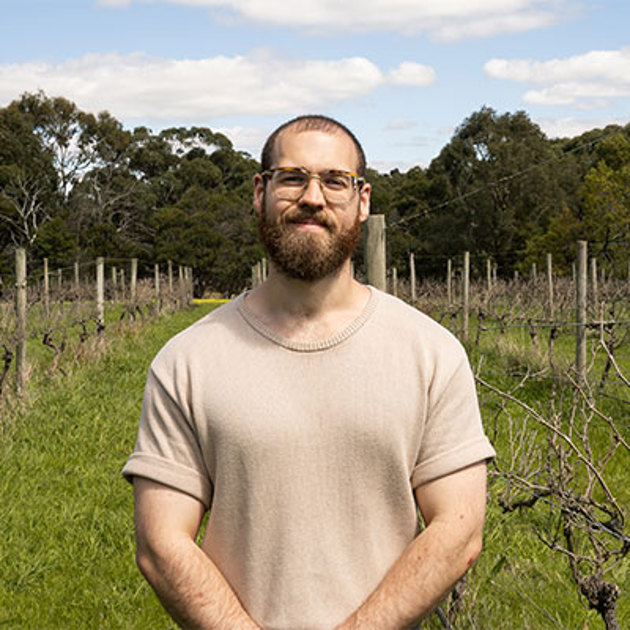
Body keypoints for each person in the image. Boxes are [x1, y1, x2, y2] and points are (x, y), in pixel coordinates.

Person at [122, 114, 496, 630]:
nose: (313, 198)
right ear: (261, 191)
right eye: (292, 177)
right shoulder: (186, 361)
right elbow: (160, 544)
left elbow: (459, 528)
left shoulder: (432, 353)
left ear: (362, 200)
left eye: (334, 181)